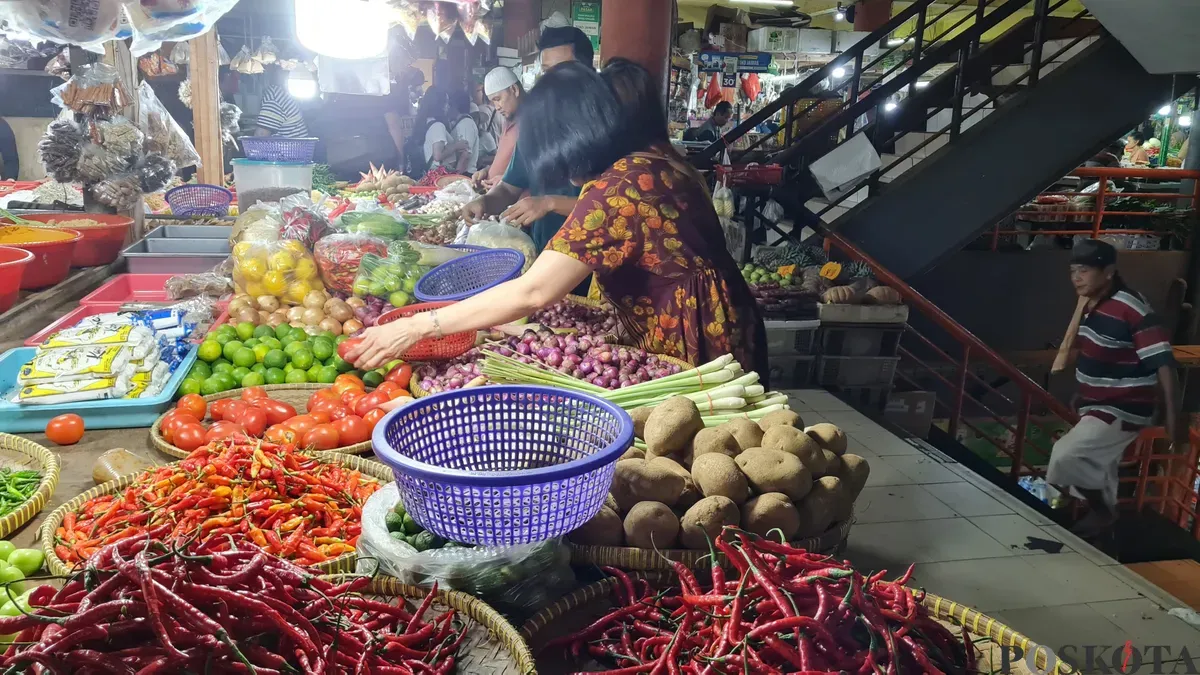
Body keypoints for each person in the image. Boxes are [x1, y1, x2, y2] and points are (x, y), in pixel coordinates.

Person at [347, 62, 767, 379]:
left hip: (693, 329)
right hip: (720, 312)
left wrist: (421, 325)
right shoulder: (650, 161)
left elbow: (534, 291)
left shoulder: (619, 189)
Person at [1047, 239, 1181, 539]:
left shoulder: (1131, 309)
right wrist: (1083, 392)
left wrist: (1173, 419)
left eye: (1084, 270)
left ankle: (1101, 513)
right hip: (1096, 401)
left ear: (1108, 272)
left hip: (1124, 405)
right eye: (1073, 271)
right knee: (1099, 468)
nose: (1076, 278)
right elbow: (1095, 352)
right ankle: (1103, 529)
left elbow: (1165, 363)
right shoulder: (1091, 302)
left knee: (1066, 456)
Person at [460, 26, 595, 252]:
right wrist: (484, 202)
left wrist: (549, 203)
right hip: (544, 251)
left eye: (562, 70)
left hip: (591, 258)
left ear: (588, 70)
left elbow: (614, 205)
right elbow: (509, 188)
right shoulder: (536, 127)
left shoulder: (606, 126)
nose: (552, 81)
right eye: (546, 71)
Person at [471, 67, 522, 190]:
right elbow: (507, 160)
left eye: (498, 99)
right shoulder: (509, 119)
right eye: (493, 102)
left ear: (514, 90)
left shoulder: (534, 121)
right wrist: (488, 171)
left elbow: (537, 170)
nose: (497, 107)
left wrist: (507, 179)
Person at [402, 88, 465, 179]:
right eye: (446, 102)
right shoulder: (438, 126)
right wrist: (457, 146)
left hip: (427, 174)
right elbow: (437, 155)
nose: (448, 106)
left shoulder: (425, 122)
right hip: (437, 176)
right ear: (439, 104)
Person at [256, 67, 308, 138]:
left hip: (289, 148)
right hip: (294, 146)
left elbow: (261, 135)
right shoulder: (279, 91)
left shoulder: (274, 97)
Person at [448, 89, 480, 175]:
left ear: (455, 106)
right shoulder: (461, 123)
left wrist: (456, 176)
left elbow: (466, 154)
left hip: (465, 173)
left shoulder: (466, 123)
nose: (447, 108)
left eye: (449, 104)